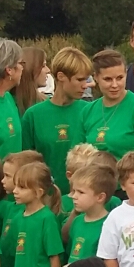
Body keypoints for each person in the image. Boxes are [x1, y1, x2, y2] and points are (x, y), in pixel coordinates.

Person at [20, 47, 94, 193]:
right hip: (45, 197)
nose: (85, 85)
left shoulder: (90, 111)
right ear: (61, 77)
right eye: (79, 79)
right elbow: (26, 165)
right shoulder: (33, 115)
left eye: (86, 80)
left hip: (84, 197)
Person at [85, 48, 134, 157]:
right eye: (108, 79)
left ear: (126, 73)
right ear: (96, 77)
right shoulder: (87, 111)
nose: (115, 85)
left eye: (120, 78)